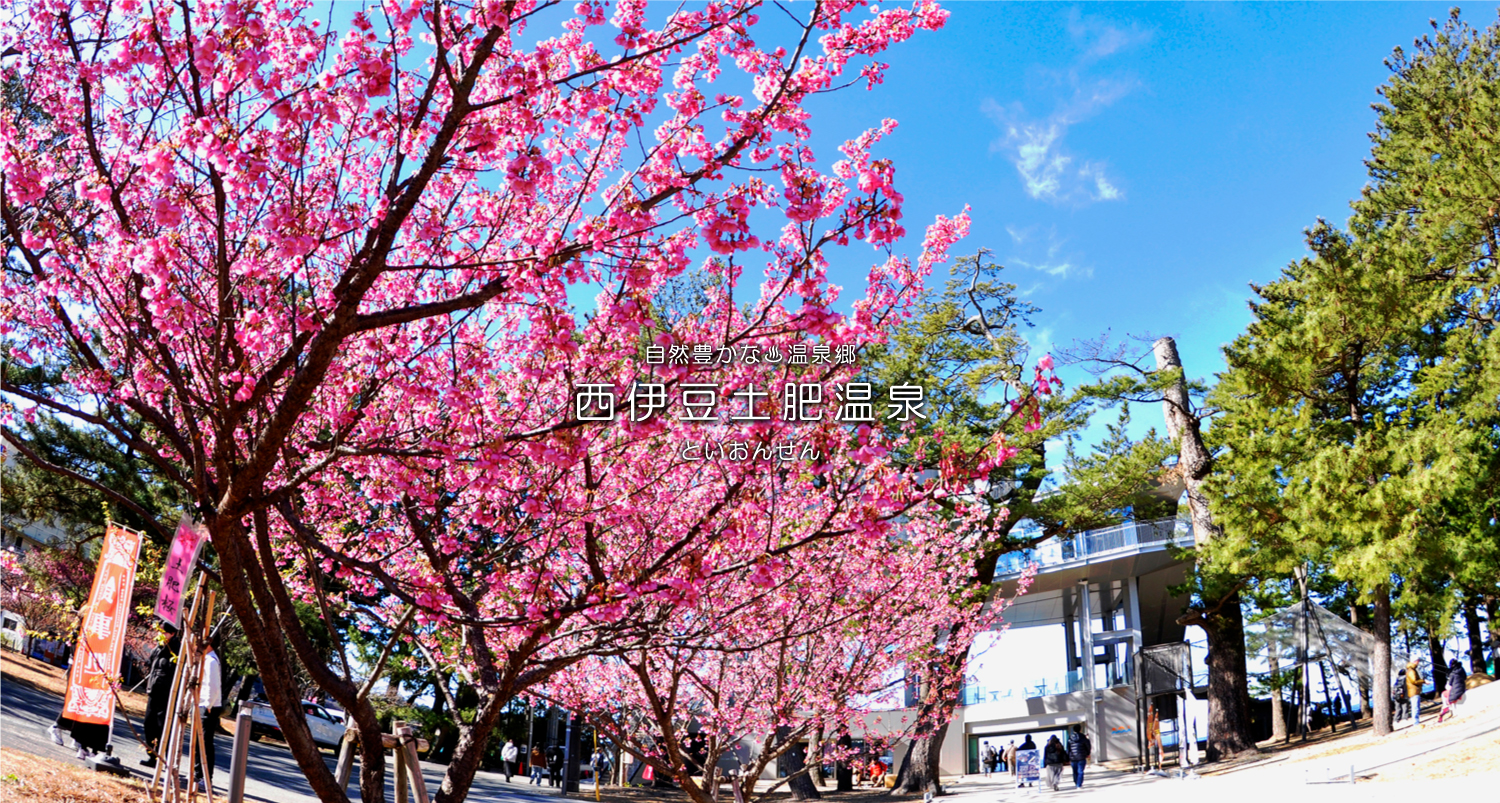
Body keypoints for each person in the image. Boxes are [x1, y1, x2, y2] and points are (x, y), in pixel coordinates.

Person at [139, 623, 180, 768]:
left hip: (167, 694)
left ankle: (163, 758)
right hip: (154, 691)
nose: (160, 636)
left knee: (162, 726)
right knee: (149, 724)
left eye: (164, 633)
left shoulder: (176, 650)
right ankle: (152, 756)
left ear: (172, 633)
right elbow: (150, 663)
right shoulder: (159, 648)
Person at [192, 636, 223, 793]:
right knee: (198, 741)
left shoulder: (211, 661)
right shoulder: (207, 659)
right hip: (203, 703)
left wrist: (208, 704)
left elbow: (213, 686)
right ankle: (197, 774)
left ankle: (205, 777)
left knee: (204, 742)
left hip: (208, 706)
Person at [1437, 657, 1468, 723]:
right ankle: (1450, 710)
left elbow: (1449, 684)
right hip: (1462, 687)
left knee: (1445, 694)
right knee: (1451, 693)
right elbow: (1465, 677)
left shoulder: (1452, 673)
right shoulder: (1461, 669)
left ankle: (1447, 707)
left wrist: (1449, 675)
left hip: (1456, 690)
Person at [1066, 724, 1091, 790]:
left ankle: (1076, 782)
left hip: (1073, 757)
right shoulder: (1083, 737)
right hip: (1081, 756)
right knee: (1080, 771)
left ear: (1073, 730)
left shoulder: (1070, 738)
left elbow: (1068, 749)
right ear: (1080, 729)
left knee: (1074, 771)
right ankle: (1079, 784)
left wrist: (1068, 757)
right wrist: (1088, 753)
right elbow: (1088, 746)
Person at [1405, 659, 1424, 726]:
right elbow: (1414, 681)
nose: (1418, 663)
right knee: (1415, 707)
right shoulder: (1411, 671)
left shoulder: (1412, 670)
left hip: (1415, 691)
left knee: (1416, 707)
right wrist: (1423, 681)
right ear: (1415, 661)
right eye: (1418, 661)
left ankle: (1416, 721)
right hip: (1414, 692)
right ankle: (1416, 722)